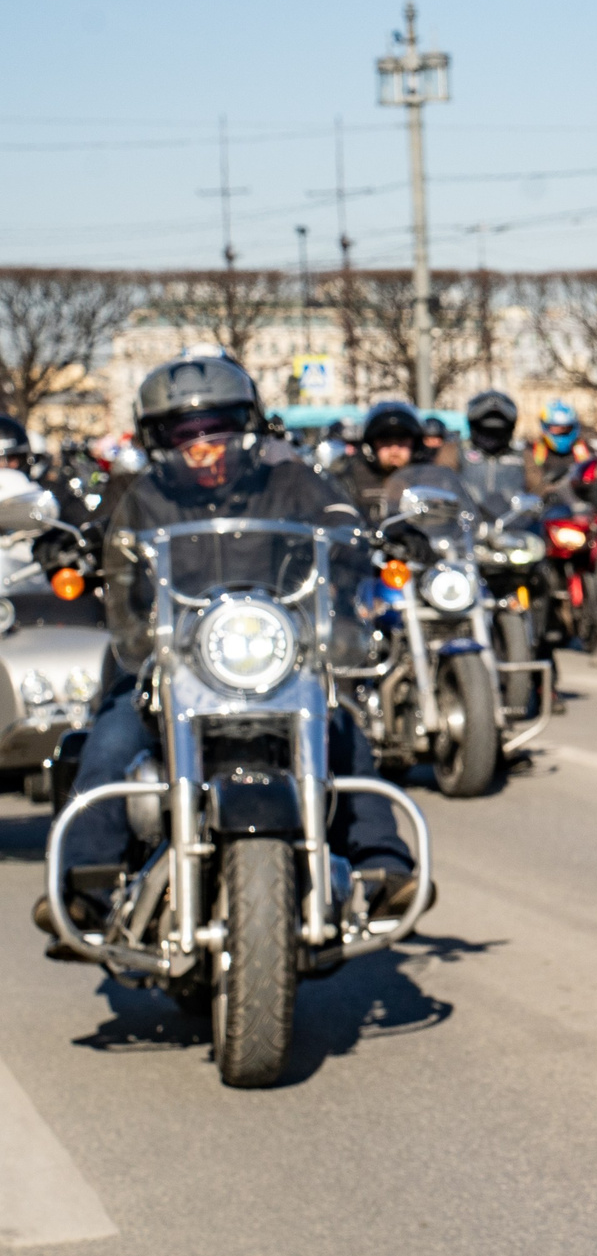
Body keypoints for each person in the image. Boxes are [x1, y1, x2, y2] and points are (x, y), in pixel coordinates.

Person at [37, 356, 412, 941]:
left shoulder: (287, 483)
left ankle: (382, 864)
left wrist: (364, 535)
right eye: (186, 435)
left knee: (339, 726)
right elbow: (104, 537)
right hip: (168, 659)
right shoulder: (139, 495)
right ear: (160, 441)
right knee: (112, 737)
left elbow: (339, 517)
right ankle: (86, 881)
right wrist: (71, 551)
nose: (204, 447)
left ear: (248, 429)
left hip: (271, 658)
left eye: (218, 430)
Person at [331, 399, 431, 524]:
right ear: (371, 445)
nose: (394, 450)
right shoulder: (351, 480)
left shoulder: (430, 478)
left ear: (416, 444)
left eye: (402, 441)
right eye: (385, 441)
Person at [457, 389, 529, 519]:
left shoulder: (522, 454)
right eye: (485, 429)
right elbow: (438, 477)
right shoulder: (457, 450)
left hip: (514, 525)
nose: (491, 436)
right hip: (465, 525)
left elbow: (539, 484)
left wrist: (548, 496)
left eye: (498, 430)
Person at [523, 398, 591, 498]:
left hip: (578, 504)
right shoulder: (534, 450)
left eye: (565, 428)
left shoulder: (584, 449)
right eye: (556, 428)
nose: (561, 432)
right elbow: (532, 481)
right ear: (546, 427)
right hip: (545, 506)